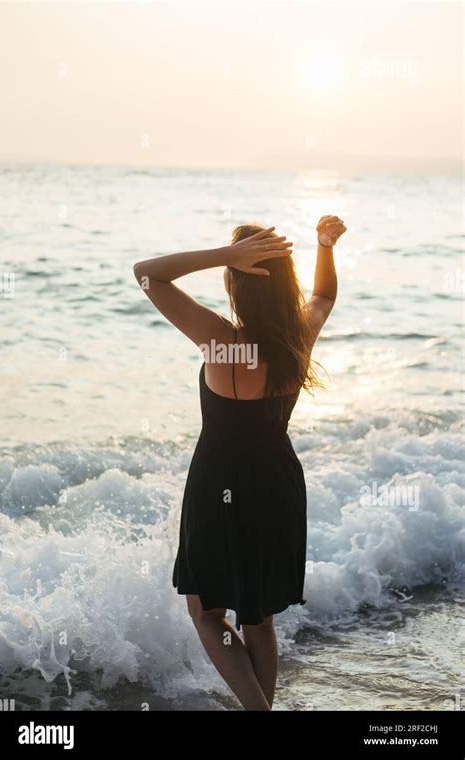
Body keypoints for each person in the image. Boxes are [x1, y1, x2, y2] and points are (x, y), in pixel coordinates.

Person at [133, 215, 346, 710]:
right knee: (260, 618)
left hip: (218, 485)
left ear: (236, 282)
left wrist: (224, 255)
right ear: (283, 286)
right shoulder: (296, 342)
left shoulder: (220, 340)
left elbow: (147, 273)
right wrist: (324, 247)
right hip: (277, 484)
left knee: (208, 614)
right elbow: (325, 297)